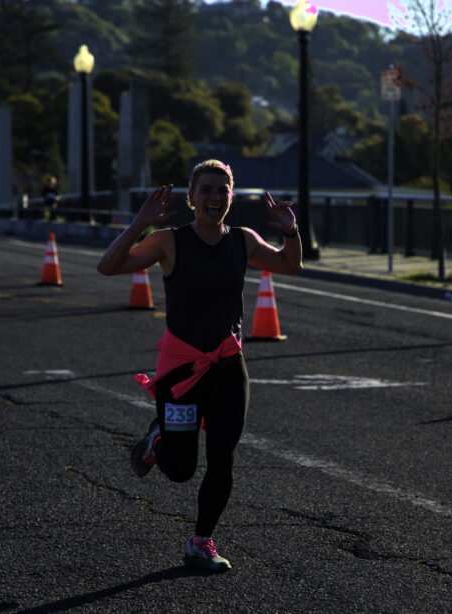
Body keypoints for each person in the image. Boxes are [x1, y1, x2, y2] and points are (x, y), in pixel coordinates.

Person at [97, 159, 302, 572]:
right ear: (191, 198)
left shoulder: (242, 240)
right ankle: (159, 441)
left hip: (228, 365)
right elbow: (108, 265)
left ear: (231, 196)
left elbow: (289, 264)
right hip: (181, 370)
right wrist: (140, 223)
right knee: (180, 469)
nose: (214, 197)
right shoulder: (169, 242)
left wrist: (289, 230)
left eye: (222, 189)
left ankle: (201, 540)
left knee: (223, 457)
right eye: (206, 190)